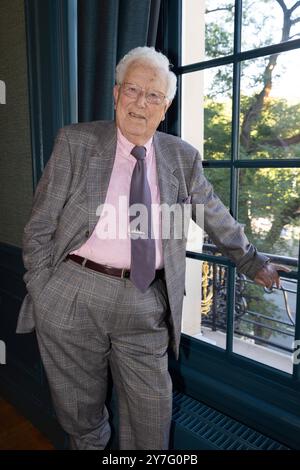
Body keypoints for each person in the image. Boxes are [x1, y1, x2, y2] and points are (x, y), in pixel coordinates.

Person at [16, 46, 287, 450]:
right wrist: (43, 287)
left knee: (152, 418)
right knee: (82, 417)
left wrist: (252, 261)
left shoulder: (182, 158)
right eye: (132, 90)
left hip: (145, 299)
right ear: (115, 94)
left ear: (166, 107)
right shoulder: (76, 142)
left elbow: (214, 215)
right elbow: (39, 225)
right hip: (73, 292)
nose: (140, 102)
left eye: (153, 95)